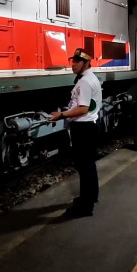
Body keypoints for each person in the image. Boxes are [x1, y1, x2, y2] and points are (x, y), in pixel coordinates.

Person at [49, 48, 102, 217]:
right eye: (73, 61)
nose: (73, 64)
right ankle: (89, 198)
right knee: (87, 166)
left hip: (84, 128)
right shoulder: (90, 78)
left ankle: (86, 207)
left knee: (85, 167)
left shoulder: (85, 82)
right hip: (88, 127)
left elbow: (83, 109)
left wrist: (61, 115)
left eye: (77, 61)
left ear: (86, 63)